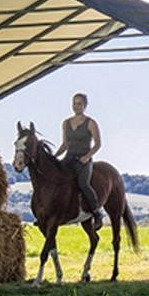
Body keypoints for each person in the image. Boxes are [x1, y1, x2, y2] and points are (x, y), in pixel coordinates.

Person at [54, 91, 105, 227]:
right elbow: (65, 144)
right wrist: (54, 156)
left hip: (84, 158)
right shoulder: (66, 123)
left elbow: (98, 144)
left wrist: (87, 156)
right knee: (56, 178)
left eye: (79, 104)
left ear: (85, 106)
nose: (76, 106)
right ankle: (50, 212)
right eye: (74, 104)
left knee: (83, 183)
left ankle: (97, 213)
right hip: (69, 157)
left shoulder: (90, 123)